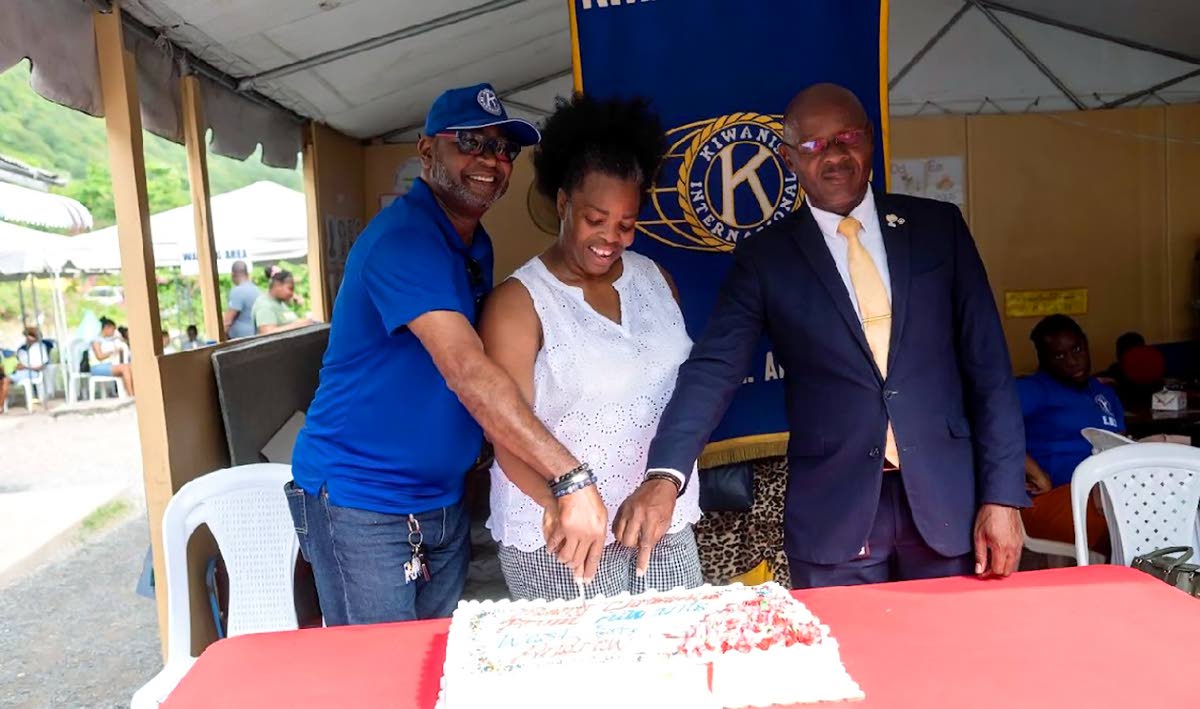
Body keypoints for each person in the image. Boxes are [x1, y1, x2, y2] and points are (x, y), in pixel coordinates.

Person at [616, 83, 1027, 588]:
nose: (832, 156)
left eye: (846, 137)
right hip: (837, 513)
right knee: (850, 662)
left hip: (951, 507)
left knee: (958, 660)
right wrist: (666, 474)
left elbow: (990, 369)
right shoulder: (767, 258)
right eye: (812, 146)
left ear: (869, 141)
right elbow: (715, 368)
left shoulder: (938, 227)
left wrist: (1003, 496)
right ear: (790, 159)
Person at [288, 83, 608, 625]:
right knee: (379, 676)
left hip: (440, 499)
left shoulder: (472, 242)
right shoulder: (405, 240)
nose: (491, 159)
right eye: (470, 142)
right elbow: (465, 368)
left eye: (503, 149)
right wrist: (569, 476)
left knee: (433, 662)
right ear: (427, 150)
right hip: (362, 500)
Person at [479, 94, 702, 599]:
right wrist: (560, 503)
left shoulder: (656, 280)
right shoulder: (519, 303)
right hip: (563, 536)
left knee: (674, 666)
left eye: (625, 224)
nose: (610, 238)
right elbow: (505, 430)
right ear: (562, 204)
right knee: (582, 675)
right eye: (594, 219)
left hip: (661, 520)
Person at [1017, 315, 1119, 553]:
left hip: (1106, 494)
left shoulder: (1103, 393)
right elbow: (989, 427)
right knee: (1127, 523)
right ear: (1044, 359)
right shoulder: (1034, 389)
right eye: (1059, 355)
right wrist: (1036, 473)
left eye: (1077, 349)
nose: (1072, 361)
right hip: (1056, 497)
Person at [252, 270, 314, 335]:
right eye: (290, 288)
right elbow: (267, 333)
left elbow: (288, 323)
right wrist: (297, 325)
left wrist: (305, 322)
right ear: (278, 285)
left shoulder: (280, 303)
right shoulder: (264, 305)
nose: (292, 293)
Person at [90, 317, 134, 396]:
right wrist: (113, 352)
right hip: (97, 367)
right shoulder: (96, 340)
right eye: (113, 329)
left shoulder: (107, 340)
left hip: (109, 365)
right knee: (124, 368)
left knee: (131, 366)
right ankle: (131, 395)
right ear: (107, 328)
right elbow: (99, 356)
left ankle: (131, 392)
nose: (114, 332)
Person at [224, 260, 260, 339]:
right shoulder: (257, 290)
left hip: (241, 340)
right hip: (256, 335)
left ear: (233, 274)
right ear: (247, 274)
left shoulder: (237, 291)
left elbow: (228, 321)